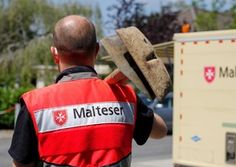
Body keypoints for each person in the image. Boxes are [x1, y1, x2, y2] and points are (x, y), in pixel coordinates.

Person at [9, 15, 167, 167]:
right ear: (97, 50)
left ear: (54, 53)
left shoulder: (35, 104)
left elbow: (21, 164)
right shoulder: (125, 97)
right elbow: (161, 131)